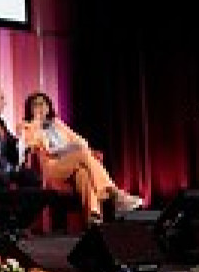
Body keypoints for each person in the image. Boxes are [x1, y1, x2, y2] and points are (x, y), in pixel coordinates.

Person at [17, 90, 141, 224]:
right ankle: (115, 194)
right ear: (30, 109)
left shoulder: (57, 124)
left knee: (83, 174)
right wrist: (36, 123)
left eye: (44, 104)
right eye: (36, 105)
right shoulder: (26, 126)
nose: (41, 107)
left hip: (71, 161)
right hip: (53, 168)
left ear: (48, 107)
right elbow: (30, 144)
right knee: (81, 154)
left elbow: (81, 142)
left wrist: (70, 148)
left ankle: (94, 218)